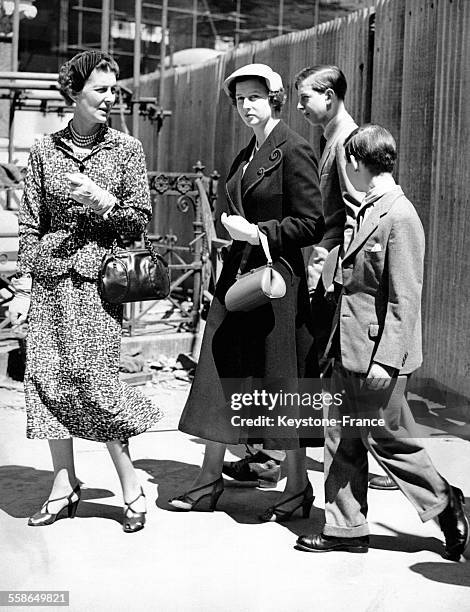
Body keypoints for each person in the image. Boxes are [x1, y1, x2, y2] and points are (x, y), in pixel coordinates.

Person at [296, 125, 469, 560]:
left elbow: (404, 297)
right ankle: (345, 528)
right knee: (341, 438)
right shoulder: (366, 208)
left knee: (387, 437)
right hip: (347, 347)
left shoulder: (400, 215)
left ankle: (445, 502)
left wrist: (386, 361)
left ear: (354, 163)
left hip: (376, 355)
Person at [11, 50, 161, 533]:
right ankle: (63, 485)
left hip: (99, 285)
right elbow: (30, 225)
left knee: (95, 385)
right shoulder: (42, 151)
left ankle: (130, 485)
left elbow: (139, 220)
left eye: (113, 90)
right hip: (52, 286)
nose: (110, 98)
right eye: (100, 89)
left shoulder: (126, 149)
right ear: (73, 92)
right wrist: (28, 280)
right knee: (48, 383)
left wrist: (104, 202)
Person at [171, 63, 324, 520]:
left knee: (280, 385)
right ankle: (209, 478)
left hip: (275, 283)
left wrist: (256, 232)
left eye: (255, 97)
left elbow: (312, 222)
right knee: (220, 371)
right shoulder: (245, 154)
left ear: (275, 97)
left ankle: (296, 486)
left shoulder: (293, 150)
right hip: (240, 279)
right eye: (240, 100)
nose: (246, 106)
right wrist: (234, 228)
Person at [295, 64, 397, 491]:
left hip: (337, 274)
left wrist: (334, 273)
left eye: (306, 98)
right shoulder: (329, 137)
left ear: (330, 97)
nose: (299, 106)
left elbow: (362, 216)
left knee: (345, 374)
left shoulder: (347, 143)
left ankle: (381, 460)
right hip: (328, 266)